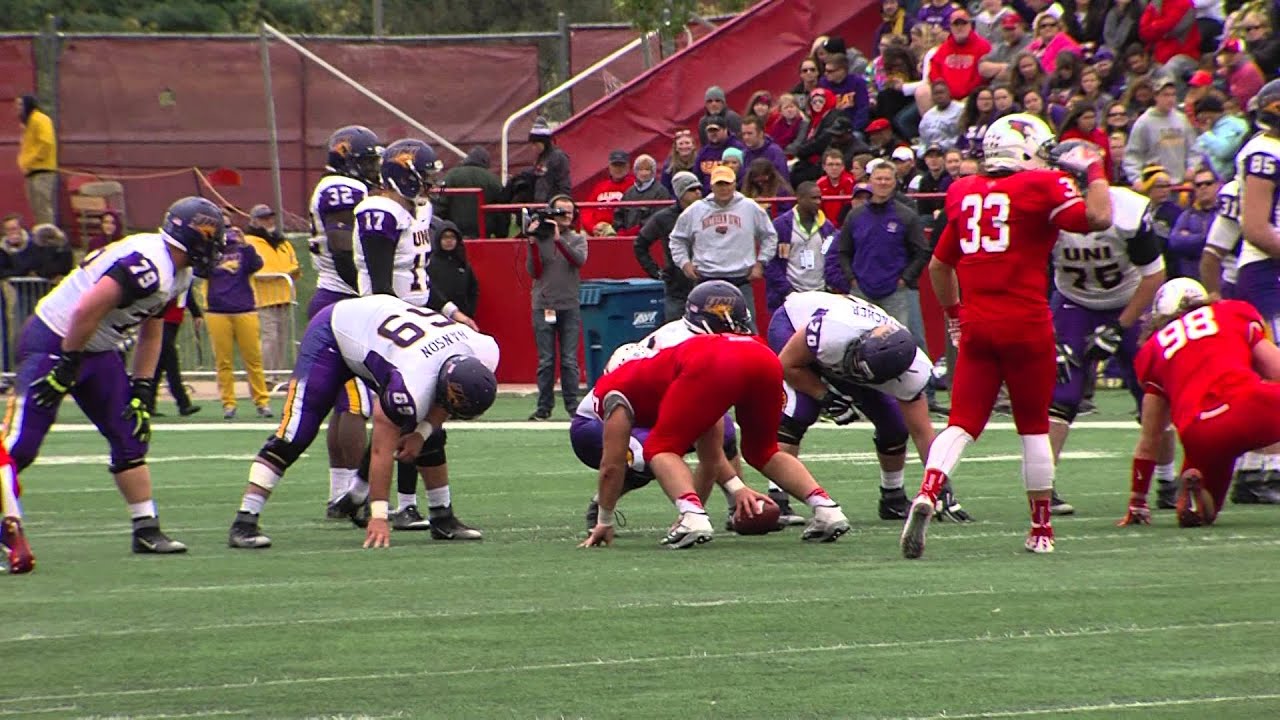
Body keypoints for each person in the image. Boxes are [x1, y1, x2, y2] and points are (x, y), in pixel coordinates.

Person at [900, 113, 1113, 558]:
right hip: (1027, 323)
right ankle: (1040, 529)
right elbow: (1097, 216)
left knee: (961, 422)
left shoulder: (962, 190)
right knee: (1033, 427)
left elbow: (940, 267)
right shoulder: (1042, 185)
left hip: (978, 323)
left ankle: (928, 489)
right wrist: (1095, 169)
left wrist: (954, 317)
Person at [4, 195, 227, 555]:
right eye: (212, 236)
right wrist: (67, 364)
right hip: (55, 338)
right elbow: (86, 308)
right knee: (24, 442)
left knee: (129, 432)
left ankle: (145, 527)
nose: (216, 245)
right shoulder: (151, 264)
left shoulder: (178, 273)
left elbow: (153, 331)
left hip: (96, 347)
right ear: (193, 237)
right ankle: (7, 523)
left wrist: (141, 388)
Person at [227, 295, 498, 549]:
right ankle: (245, 518)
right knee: (296, 432)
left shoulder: (484, 350)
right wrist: (379, 514)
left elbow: (442, 400)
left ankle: (442, 517)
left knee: (429, 433)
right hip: (334, 332)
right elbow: (382, 445)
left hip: (382, 336)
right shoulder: (413, 381)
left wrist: (422, 433)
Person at [579, 333, 851, 549]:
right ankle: (827, 510)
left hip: (715, 362)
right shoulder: (669, 372)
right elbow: (710, 457)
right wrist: (729, 490)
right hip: (760, 355)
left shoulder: (612, 389)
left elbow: (612, 466)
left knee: (659, 448)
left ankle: (693, 519)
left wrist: (604, 520)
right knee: (762, 450)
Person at [353, 138, 478, 530]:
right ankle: (419, 509)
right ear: (403, 175)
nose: (429, 184)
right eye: (424, 176)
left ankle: (359, 496)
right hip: (387, 323)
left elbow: (418, 280)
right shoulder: (380, 211)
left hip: (415, 316)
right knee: (411, 412)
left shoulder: (417, 210)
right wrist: (409, 329)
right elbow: (381, 284)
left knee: (418, 415)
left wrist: (451, 311)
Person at [770, 291, 971, 523]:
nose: (854, 375)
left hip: (846, 354)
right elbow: (786, 365)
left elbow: (922, 433)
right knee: (801, 410)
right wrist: (824, 396)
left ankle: (892, 498)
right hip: (794, 325)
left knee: (894, 425)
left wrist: (940, 487)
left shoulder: (913, 371)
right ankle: (778, 498)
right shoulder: (834, 330)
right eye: (857, 368)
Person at [1046, 148, 1170, 515]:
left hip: (1128, 301)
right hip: (1073, 303)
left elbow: (1154, 275)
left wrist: (1121, 326)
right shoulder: (1047, 211)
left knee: (1153, 392)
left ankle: (1165, 478)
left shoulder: (1127, 210)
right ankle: (1043, 485)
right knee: (1059, 394)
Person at [1122, 279, 1280, 527]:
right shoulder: (1231, 312)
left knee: (1206, 513)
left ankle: (1196, 498)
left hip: (1201, 430)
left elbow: (1151, 438)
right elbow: (1276, 370)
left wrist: (1137, 500)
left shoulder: (1153, 350)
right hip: (1249, 404)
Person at [307, 125, 382, 517]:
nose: (373, 168)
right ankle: (356, 494)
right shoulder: (341, 189)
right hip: (342, 299)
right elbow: (342, 248)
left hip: (331, 298)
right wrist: (367, 295)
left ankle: (340, 493)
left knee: (344, 404)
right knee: (357, 405)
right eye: (367, 160)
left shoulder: (336, 186)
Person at [1229, 79, 1280, 503]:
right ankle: (1261, 470)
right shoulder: (1264, 152)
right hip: (1266, 270)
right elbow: (1257, 227)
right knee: (1273, 369)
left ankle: (1260, 467)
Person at [669, 165, 778, 326]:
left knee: (747, 329)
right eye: (719, 184)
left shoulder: (750, 208)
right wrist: (684, 264)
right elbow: (677, 239)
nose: (724, 188)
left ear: (734, 184)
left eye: (727, 184)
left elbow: (770, 236)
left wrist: (761, 262)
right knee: (701, 330)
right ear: (712, 186)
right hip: (705, 280)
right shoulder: (695, 211)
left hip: (740, 280)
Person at [835, 159, 930, 326]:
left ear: (895, 182)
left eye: (887, 179)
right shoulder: (855, 215)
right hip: (861, 291)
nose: (883, 182)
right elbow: (843, 251)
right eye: (879, 178)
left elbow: (922, 251)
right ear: (870, 181)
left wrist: (905, 279)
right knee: (858, 339)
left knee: (898, 341)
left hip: (895, 293)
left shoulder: (906, 215)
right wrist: (851, 278)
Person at [527, 195, 587, 421]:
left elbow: (578, 260)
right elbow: (534, 270)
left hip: (569, 304)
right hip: (544, 304)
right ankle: (544, 408)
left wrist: (559, 240)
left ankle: (573, 407)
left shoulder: (578, 239)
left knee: (569, 359)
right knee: (546, 360)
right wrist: (533, 242)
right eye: (561, 211)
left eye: (569, 212)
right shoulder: (542, 239)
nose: (565, 216)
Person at [205, 221, 271, 420]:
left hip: (244, 309)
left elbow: (257, 265)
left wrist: (245, 245)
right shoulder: (212, 252)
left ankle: (262, 401)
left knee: (253, 359)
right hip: (217, 311)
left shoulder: (243, 250)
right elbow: (200, 270)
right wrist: (209, 248)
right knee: (223, 361)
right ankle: (228, 402)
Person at [243, 204, 300, 384]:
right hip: (263, 299)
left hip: (284, 297)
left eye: (269, 217)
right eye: (263, 218)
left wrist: (287, 272)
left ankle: (277, 375)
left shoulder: (282, 242)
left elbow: (294, 264)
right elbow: (261, 271)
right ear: (254, 221)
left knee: (282, 338)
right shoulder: (249, 242)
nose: (268, 221)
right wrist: (284, 273)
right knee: (269, 338)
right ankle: (265, 376)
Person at [634, 171, 702, 322]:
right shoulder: (663, 218)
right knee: (674, 334)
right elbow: (640, 244)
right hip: (676, 289)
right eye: (692, 189)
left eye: (699, 188)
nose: (698, 192)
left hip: (706, 285)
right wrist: (656, 272)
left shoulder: (708, 214)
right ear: (680, 193)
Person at [764, 183, 839, 310]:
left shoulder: (826, 227)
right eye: (813, 198)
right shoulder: (781, 225)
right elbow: (771, 261)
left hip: (820, 292)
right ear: (799, 198)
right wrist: (787, 291)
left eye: (820, 198)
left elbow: (832, 260)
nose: (818, 202)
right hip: (790, 295)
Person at [1123, 77, 1198, 186]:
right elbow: (1133, 154)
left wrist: (1192, 168)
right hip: (1155, 185)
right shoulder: (1144, 122)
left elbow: (1194, 149)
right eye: (1166, 95)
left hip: (1180, 185)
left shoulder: (1182, 119)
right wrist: (1136, 179)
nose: (1170, 99)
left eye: (1173, 95)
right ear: (1156, 97)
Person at [152, 288, 202, 417]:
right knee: (170, 361)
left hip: (174, 318)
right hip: (160, 318)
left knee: (159, 363)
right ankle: (183, 402)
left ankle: (148, 403)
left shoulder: (185, 274)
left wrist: (196, 313)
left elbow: (187, 293)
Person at [437, 146, 505, 238]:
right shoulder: (493, 180)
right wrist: (502, 235)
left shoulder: (451, 175)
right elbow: (502, 210)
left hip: (454, 235)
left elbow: (439, 205)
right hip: (484, 236)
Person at [15, 95, 56, 226]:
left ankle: (48, 237)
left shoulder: (40, 119)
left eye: (20, 105)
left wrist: (30, 161)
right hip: (31, 172)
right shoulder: (28, 124)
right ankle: (41, 234)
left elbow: (46, 143)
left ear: (28, 104)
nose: (17, 108)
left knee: (43, 208)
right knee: (36, 209)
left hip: (42, 171)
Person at [427, 221, 479, 319]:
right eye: (445, 237)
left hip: (463, 316)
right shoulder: (430, 263)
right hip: (437, 316)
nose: (449, 240)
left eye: (452, 237)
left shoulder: (462, 263)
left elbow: (473, 289)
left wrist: (469, 310)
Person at [579, 149, 634, 236]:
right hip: (597, 230)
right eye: (615, 165)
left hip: (620, 231)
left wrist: (619, 232)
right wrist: (592, 227)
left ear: (628, 166)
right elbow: (587, 210)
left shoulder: (634, 186)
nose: (618, 169)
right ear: (609, 166)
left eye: (621, 165)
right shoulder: (600, 186)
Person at [614, 154, 670, 235]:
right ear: (635, 171)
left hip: (649, 238)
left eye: (647, 169)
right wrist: (620, 229)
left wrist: (639, 229)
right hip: (626, 237)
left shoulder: (661, 192)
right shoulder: (629, 192)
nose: (644, 173)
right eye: (640, 169)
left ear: (653, 172)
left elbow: (659, 216)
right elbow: (618, 214)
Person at [528, 116, 571, 203]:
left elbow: (564, 185)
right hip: (539, 205)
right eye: (532, 144)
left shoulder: (559, 157)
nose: (534, 148)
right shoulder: (539, 158)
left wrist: (560, 204)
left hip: (552, 205)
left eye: (536, 144)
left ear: (544, 142)